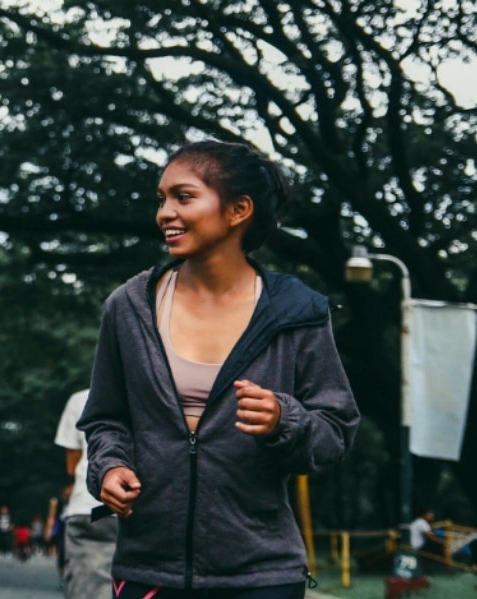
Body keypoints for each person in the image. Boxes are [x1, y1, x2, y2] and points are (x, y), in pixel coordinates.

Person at [78, 139, 360, 599]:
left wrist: (282, 420)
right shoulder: (129, 307)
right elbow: (105, 418)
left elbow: (336, 431)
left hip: (261, 574)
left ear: (238, 210)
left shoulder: (297, 312)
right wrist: (109, 468)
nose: (164, 213)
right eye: (162, 198)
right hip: (150, 569)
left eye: (183, 197)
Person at [55, 389, 118, 599]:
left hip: (90, 505)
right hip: (147, 506)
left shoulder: (81, 400)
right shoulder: (162, 395)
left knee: (88, 589)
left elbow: (72, 464)